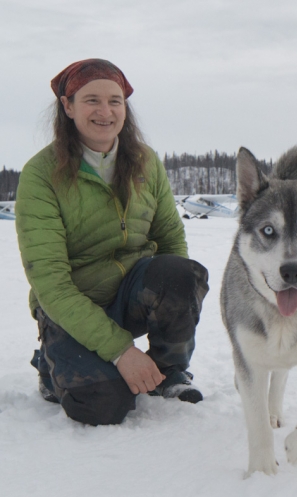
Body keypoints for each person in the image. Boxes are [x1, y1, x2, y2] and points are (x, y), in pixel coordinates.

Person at [15, 59, 209, 426]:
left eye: (115, 101)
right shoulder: (40, 175)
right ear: (68, 107)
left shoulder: (146, 162)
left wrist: (175, 302)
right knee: (102, 405)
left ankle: (168, 373)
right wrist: (122, 352)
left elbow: (170, 239)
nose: (105, 111)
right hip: (72, 309)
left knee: (180, 272)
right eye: (91, 100)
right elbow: (51, 284)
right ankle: (50, 365)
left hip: (131, 296)